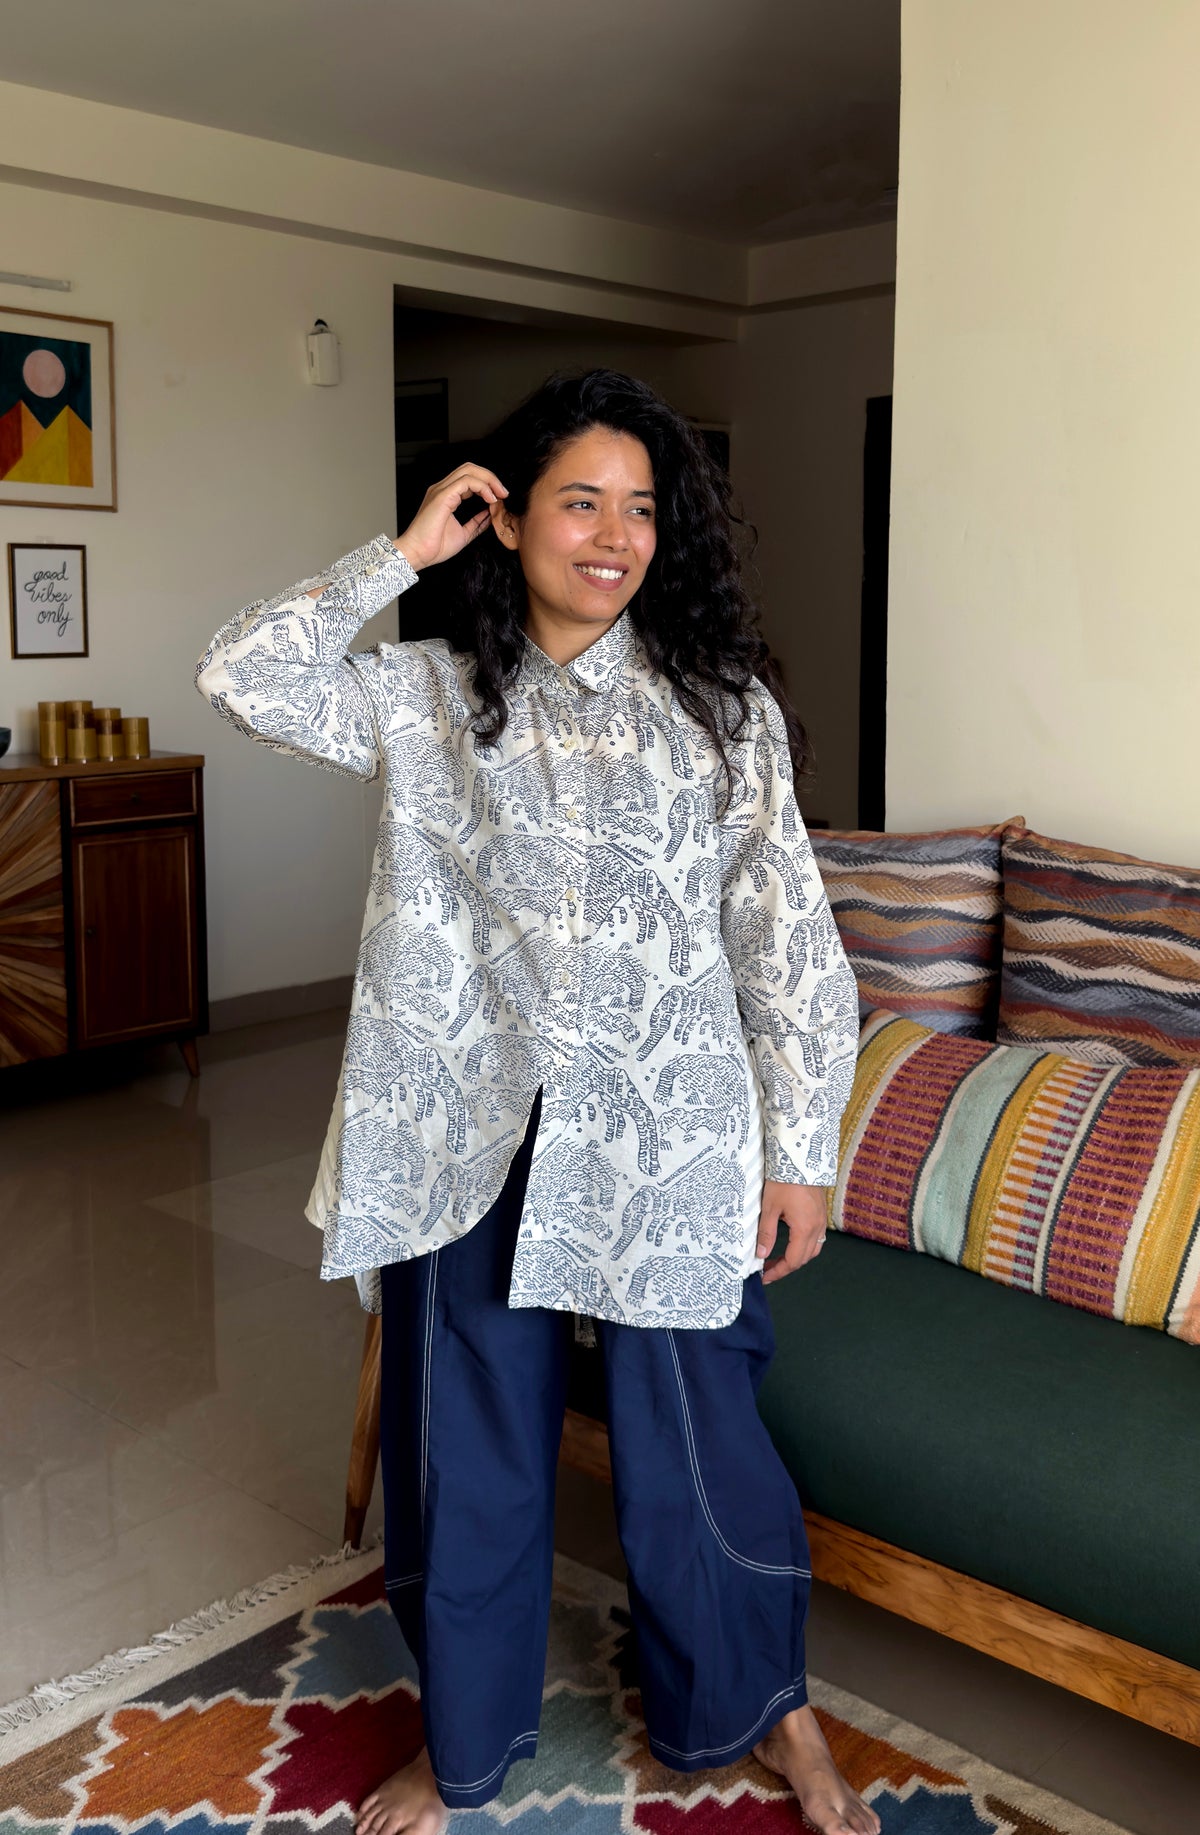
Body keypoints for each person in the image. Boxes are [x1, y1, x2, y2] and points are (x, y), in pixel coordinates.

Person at [196, 370, 874, 1835]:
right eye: (580, 502)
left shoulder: (721, 713)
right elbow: (245, 675)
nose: (615, 535)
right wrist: (401, 554)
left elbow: (785, 939)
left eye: (642, 508)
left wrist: (803, 1150)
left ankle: (765, 1706)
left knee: (703, 1446)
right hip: (464, 1127)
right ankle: (466, 1742)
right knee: (468, 1455)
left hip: (669, 1131)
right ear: (507, 519)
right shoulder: (427, 695)